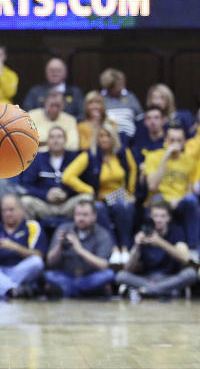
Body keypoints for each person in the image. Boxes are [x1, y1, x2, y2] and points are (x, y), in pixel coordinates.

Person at [63, 124, 137, 262]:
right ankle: (114, 249)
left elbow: (133, 170)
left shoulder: (123, 153)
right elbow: (67, 176)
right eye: (101, 136)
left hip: (119, 196)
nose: (104, 139)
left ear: (114, 137)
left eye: (108, 135)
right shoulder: (90, 155)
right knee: (97, 208)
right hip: (100, 198)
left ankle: (125, 248)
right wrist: (89, 190)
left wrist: (131, 192)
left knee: (125, 206)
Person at [0, 194, 47, 298]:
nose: (7, 214)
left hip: (19, 270)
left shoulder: (32, 226)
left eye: (11, 210)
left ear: (22, 210)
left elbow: (39, 254)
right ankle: (12, 290)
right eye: (4, 211)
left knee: (36, 262)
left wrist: (14, 247)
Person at [116, 199, 197, 300]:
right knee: (120, 276)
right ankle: (162, 290)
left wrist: (160, 242)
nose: (159, 220)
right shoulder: (143, 233)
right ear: (150, 217)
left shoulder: (176, 231)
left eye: (163, 216)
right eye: (155, 216)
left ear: (169, 218)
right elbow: (127, 269)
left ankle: (147, 291)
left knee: (191, 273)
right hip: (148, 279)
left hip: (170, 277)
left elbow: (185, 258)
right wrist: (137, 246)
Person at [141, 124, 200, 252]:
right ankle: (150, 247)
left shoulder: (190, 161)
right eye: (172, 140)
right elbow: (152, 186)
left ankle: (193, 249)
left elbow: (190, 189)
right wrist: (166, 156)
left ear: (184, 142)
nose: (175, 144)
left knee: (192, 200)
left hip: (180, 201)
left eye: (179, 140)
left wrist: (178, 200)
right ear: (165, 141)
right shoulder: (153, 156)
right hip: (159, 200)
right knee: (157, 198)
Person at [44, 199, 116, 298]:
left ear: (94, 216)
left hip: (89, 277)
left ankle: (71, 291)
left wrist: (79, 249)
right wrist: (59, 245)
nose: (80, 218)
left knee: (108, 274)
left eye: (85, 215)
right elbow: (50, 262)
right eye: (78, 215)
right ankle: (80, 292)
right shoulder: (63, 229)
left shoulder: (103, 234)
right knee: (49, 275)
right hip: (66, 275)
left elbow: (103, 265)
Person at [19, 125, 89, 220]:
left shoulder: (74, 158)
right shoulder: (37, 159)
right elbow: (27, 186)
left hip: (67, 205)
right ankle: (33, 232)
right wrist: (45, 194)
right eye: (52, 137)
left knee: (86, 199)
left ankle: (81, 233)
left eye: (59, 137)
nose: (55, 140)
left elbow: (84, 182)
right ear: (48, 141)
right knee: (25, 201)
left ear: (65, 140)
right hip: (44, 205)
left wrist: (67, 193)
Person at [21, 57, 85, 119]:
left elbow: (82, 115)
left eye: (58, 70)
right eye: (51, 70)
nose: (55, 73)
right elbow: (25, 114)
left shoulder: (75, 92)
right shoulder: (35, 92)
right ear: (46, 72)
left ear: (65, 73)